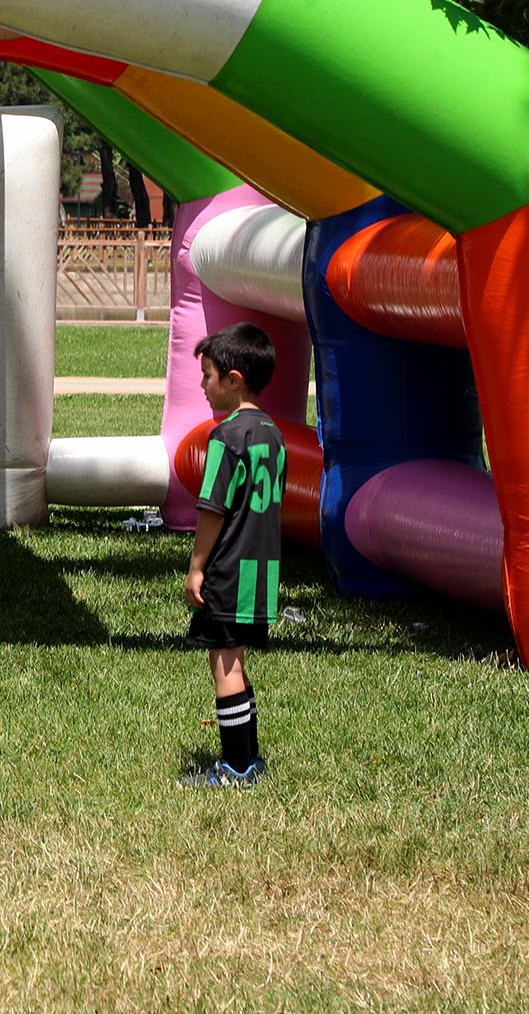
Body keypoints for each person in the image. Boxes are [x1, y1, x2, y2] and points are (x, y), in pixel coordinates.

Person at [177, 321, 284, 788]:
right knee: (236, 660)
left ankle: (236, 767)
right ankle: (250, 758)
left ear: (233, 379)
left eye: (207, 376)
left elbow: (213, 510)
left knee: (224, 664)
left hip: (228, 568)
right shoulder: (273, 433)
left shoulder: (225, 438)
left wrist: (196, 567)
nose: (202, 386)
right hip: (261, 571)